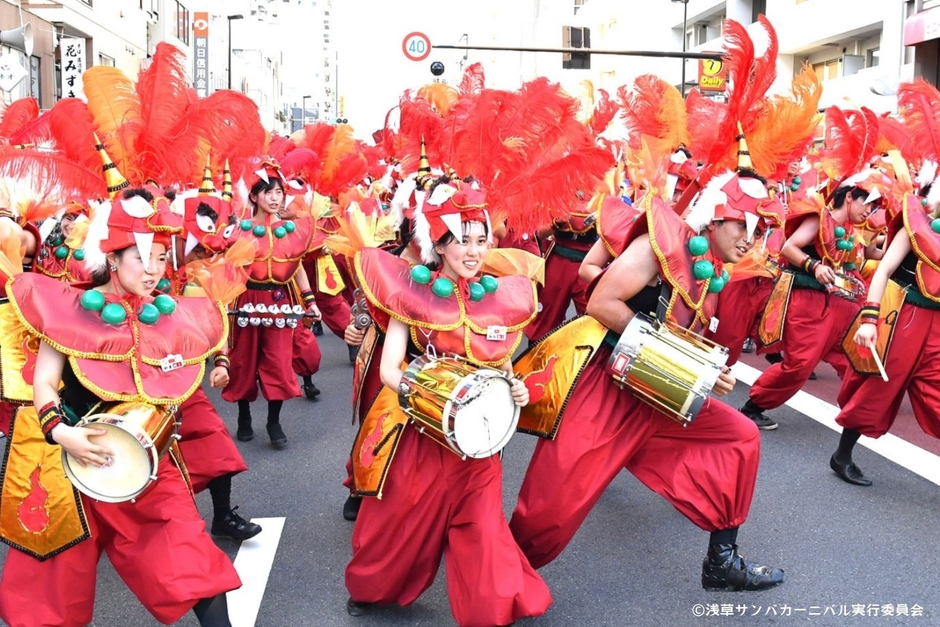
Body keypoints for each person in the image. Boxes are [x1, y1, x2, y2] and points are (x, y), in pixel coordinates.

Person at [510, 169, 786, 591]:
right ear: (716, 217)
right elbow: (601, 302)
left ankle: (722, 562)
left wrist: (706, 370)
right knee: (548, 516)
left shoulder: (706, 263)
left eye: (760, 229)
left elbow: (678, 333)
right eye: (745, 225)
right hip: (607, 389)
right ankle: (497, 569)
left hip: (660, 390)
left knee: (739, 438)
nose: (752, 238)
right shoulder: (659, 244)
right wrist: (688, 365)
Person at [0, 180, 240, 627]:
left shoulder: (165, 311)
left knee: (187, 553)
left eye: (161, 258)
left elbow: (194, 353)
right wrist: (62, 432)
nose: (153, 269)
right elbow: (45, 382)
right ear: (112, 258)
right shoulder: (68, 309)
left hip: (144, 460)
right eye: (142, 257)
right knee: (49, 594)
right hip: (67, 461)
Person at [344, 175, 552, 626]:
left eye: (481, 239)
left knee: (482, 527)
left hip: (479, 444)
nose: (473, 251)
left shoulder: (498, 297)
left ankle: (491, 609)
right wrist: (433, 397)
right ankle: (373, 587)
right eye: (461, 241)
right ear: (438, 246)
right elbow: (389, 369)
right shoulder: (411, 292)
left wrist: (516, 389)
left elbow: (504, 365)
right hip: (421, 437)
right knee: (400, 522)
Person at [739, 182, 879, 430]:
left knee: (854, 351)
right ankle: (753, 407)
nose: (869, 211)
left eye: (874, 207)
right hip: (804, 299)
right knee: (800, 364)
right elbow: (788, 247)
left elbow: (865, 256)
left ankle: (857, 408)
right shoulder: (819, 217)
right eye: (867, 203)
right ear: (849, 197)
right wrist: (814, 267)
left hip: (833, 301)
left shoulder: (847, 231)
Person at [221, 159, 322, 449]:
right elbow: (230, 272)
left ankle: (273, 420)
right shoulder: (239, 230)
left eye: (279, 192)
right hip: (246, 300)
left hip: (280, 301)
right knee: (243, 361)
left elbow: (297, 266)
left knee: (278, 362)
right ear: (254, 196)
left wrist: (309, 300)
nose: (275, 198)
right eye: (268, 192)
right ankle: (243, 415)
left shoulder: (293, 229)